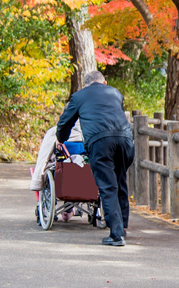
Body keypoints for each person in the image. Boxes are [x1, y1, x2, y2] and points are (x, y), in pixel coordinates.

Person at [56, 71, 134, 246]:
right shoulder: (116, 93)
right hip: (125, 141)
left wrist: (60, 139)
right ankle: (123, 226)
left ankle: (116, 234)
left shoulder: (79, 97)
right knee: (120, 182)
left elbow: (64, 122)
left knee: (108, 186)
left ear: (86, 84)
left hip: (100, 143)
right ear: (104, 82)